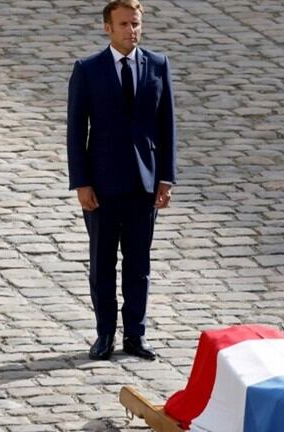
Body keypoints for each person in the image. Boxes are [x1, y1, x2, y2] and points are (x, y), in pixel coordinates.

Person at [67, 0, 177, 361]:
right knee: (101, 266)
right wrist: (82, 182)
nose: (132, 30)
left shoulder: (158, 66)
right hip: (102, 186)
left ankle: (136, 335)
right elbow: (75, 132)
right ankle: (104, 335)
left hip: (143, 186)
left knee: (138, 266)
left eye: (137, 23)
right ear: (108, 28)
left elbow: (167, 126)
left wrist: (166, 177)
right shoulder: (88, 70)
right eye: (125, 24)